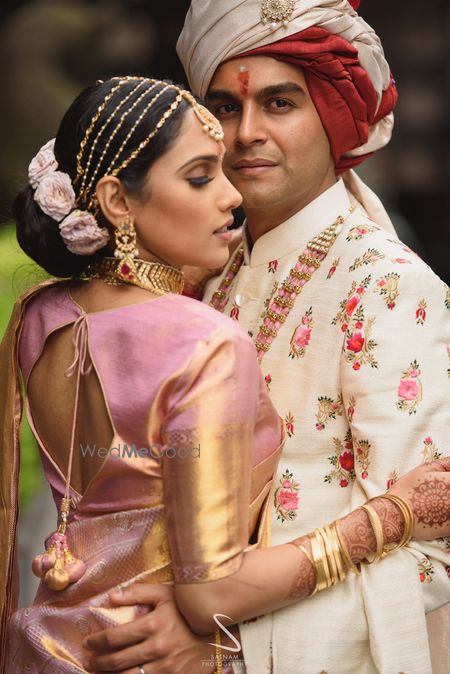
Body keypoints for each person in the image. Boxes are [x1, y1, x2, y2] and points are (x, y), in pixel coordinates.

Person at [2, 75, 447, 674]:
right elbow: (211, 594)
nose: (229, 193)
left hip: (49, 637)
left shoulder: (37, 314)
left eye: (279, 104)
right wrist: (393, 516)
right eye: (199, 177)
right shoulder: (204, 338)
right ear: (115, 201)